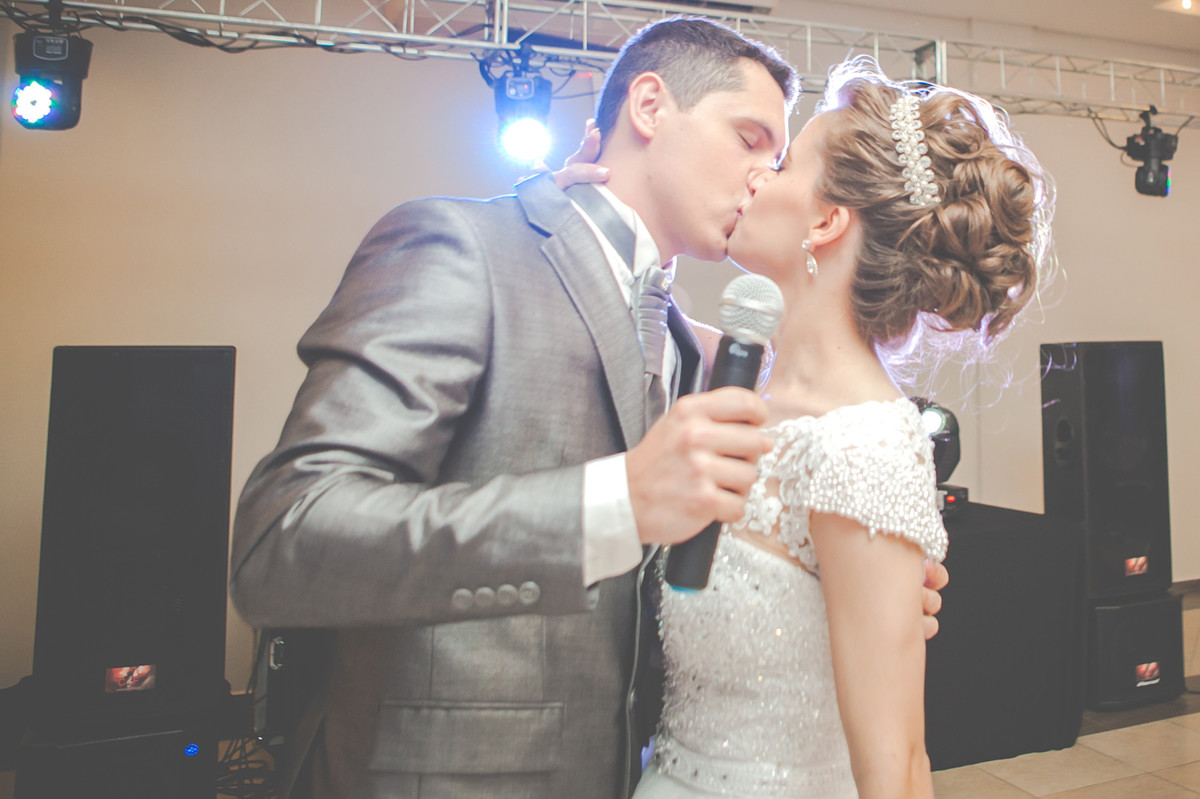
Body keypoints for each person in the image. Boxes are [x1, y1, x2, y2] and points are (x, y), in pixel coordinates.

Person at [230, 17, 796, 799]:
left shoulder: (688, 344)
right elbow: (283, 541)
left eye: (779, 161)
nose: (765, 178)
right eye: (749, 138)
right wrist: (614, 503)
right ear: (649, 106)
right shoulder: (465, 245)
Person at [632, 56, 1054, 799]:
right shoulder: (738, 389)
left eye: (783, 164)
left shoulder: (865, 445)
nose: (755, 177)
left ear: (826, 221)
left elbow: (897, 767)